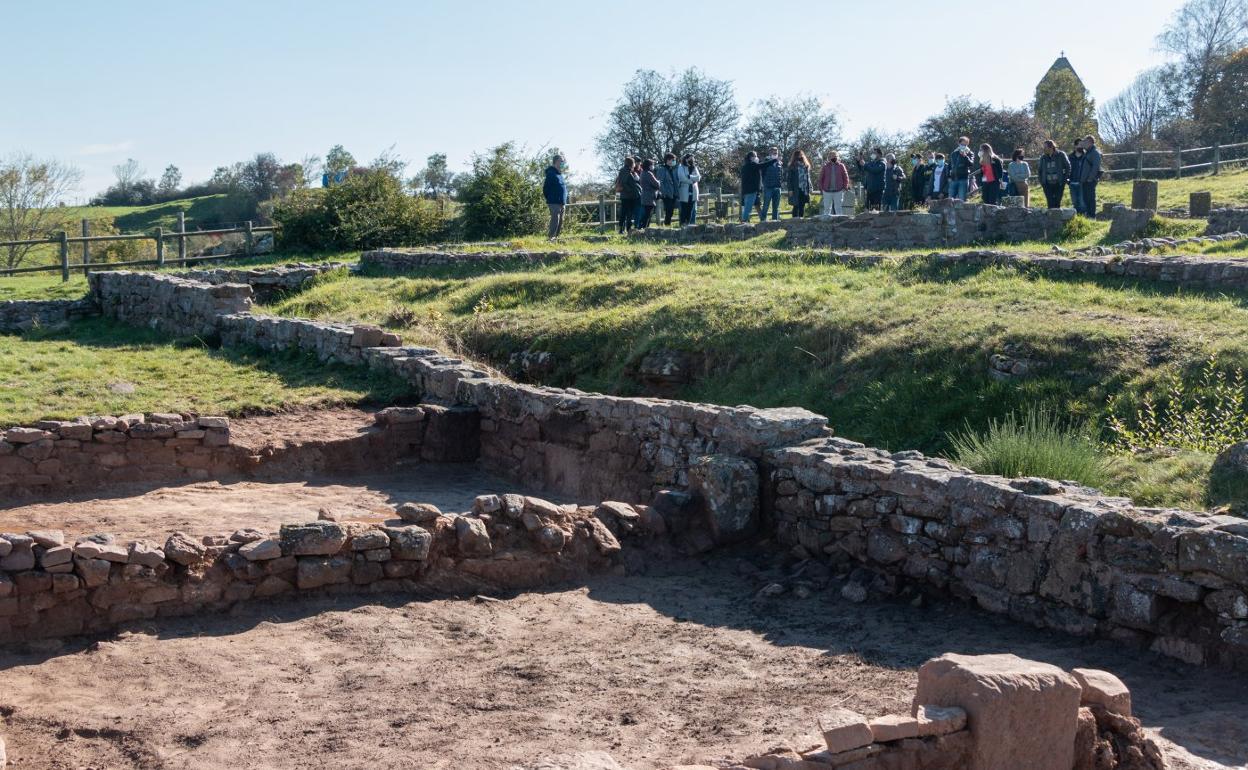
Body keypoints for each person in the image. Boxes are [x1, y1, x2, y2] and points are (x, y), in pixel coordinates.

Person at [1036, 140, 1070, 209]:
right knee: (1050, 203)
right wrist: (1042, 182)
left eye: (1045, 147)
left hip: (1059, 183)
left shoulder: (1061, 155)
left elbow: (1068, 166)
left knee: (1057, 202)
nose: (1044, 149)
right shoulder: (1043, 157)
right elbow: (1039, 170)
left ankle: (1057, 218)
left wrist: (1064, 179)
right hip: (1047, 184)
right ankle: (1050, 219)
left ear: (1051, 147)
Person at [542, 154, 568, 240]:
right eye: (562, 161)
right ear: (556, 161)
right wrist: (550, 198)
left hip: (561, 202)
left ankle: (556, 238)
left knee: (561, 220)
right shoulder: (551, 173)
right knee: (555, 219)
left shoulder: (559, 174)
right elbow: (545, 188)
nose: (563, 163)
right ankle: (550, 238)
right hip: (554, 202)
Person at [818, 151, 850, 215]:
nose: (834, 158)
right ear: (829, 157)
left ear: (838, 157)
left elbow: (846, 177)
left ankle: (840, 223)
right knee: (827, 208)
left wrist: (845, 187)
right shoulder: (825, 166)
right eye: (832, 156)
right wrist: (821, 189)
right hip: (827, 191)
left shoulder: (841, 166)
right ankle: (826, 223)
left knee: (838, 208)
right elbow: (820, 178)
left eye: (835, 156)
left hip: (838, 190)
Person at [615, 156, 642, 233]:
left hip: (628, 196)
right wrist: (630, 190)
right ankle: (623, 229)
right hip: (628, 196)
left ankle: (626, 229)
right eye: (634, 163)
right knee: (626, 213)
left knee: (627, 213)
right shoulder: (625, 171)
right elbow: (624, 183)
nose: (635, 165)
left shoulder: (627, 171)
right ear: (631, 163)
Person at [1079, 135, 1103, 218]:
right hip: (1085, 181)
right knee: (1086, 198)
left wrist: (1090, 178)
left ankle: (1092, 216)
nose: (1083, 143)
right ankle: (1088, 215)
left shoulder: (1095, 152)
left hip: (1090, 181)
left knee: (1090, 199)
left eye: (1085, 141)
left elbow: (1095, 167)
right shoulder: (1088, 152)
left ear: (1089, 142)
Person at [676, 153, 701, 226]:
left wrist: (689, 176)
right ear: (686, 159)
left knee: (690, 210)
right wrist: (692, 181)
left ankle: (689, 226)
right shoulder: (681, 167)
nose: (691, 160)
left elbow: (698, 177)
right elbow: (682, 178)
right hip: (684, 192)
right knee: (684, 210)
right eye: (690, 158)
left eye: (692, 158)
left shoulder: (694, 167)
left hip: (693, 192)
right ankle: (683, 225)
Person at [760, 147, 784, 221]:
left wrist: (780, 183)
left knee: (776, 206)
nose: (775, 154)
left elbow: (781, 175)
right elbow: (762, 174)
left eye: (776, 152)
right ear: (770, 153)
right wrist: (764, 184)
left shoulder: (779, 163)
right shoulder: (765, 162)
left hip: (777, 187)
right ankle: (763, 221)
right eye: (774, 152)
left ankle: (774, 221)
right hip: (768, 187)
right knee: (766, 205)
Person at [637, 158, 662, 229]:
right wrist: (659, 182)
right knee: (647, 215)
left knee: (646, 214)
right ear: (649, 165)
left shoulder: (642, 173)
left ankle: (642, 228)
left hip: (645, 196)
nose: (653, 166)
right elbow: (657, 184)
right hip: (650, 196)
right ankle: (644, 229)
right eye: (652, 164)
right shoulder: (648, 173)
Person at [787, 150, 813, 218]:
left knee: (802, 205)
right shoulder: (792, 166)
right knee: (796, 205)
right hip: (796, 188)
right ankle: (794, 220)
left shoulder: (806, 166)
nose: (800, 156)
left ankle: (801, 220)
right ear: (795, 156)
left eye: (801, 155)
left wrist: (810, 187)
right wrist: (790, 189)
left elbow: (808, 178)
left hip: (804, 188)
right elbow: (789, 179)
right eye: (798, 155)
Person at [739, 151, 763, 222]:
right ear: (751, 157)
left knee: (757, 205)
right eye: (755, 156)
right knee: (748, 207)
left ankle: (763, 220)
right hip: (751, 190)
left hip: (755, 190)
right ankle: (744, 221)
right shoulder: (751, 165)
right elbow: (764, 165)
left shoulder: (748, 166)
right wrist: (773, 160)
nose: (756, 158)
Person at [949, 136, 975, 201]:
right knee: (950, 200)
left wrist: (965, 156)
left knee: (962, 199)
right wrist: (949, 176)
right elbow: (950, 165)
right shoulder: (954, 153)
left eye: (965, 145)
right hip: (953, 179)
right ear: (959, 144)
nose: (963, 146)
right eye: (962, 144)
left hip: (963, 179)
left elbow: (971, 163)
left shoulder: (970, 153)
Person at [657, 153, 680, 227]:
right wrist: (664, 193)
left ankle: (667, 225)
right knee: (668, 210)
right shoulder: (662, 169)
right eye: (673, 160)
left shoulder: (672, 169)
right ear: (668, 160)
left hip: (673, 193)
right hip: (667, 194)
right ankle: (667, 225)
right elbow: (660, 182)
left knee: (671, 211)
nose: (674, 161)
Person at [1068, 141, 1086, 215]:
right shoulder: (1070, 157)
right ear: (1075, 146)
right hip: (1072, 182)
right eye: (1079, 145)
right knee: (1074, 201)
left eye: (1082, 145)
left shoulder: (1086, 156)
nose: (1081, 146)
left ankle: (1084, 218)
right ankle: (1077, 218)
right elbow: (1066, 168)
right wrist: (1067, 180)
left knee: (1082, 202)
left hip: (1082, 182)